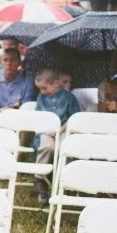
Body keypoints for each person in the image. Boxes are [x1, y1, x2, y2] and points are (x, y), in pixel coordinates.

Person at [32, 68, 80, 202]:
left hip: (64, 130)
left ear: (56, 84)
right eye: (40, 88)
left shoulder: (69, 97)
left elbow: (74, 118)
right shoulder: (41, 98)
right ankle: (39, 178)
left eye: (44, 88)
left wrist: (60, 130)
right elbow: (39, 117)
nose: (42, 92)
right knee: (47, 147)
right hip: (46, 130)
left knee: (63, 149)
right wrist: (47, 129)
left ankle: (64, 181)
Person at [0, 48, 36, 126]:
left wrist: (19, 107)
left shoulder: (27, 80)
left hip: (19, 117)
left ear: (19, 63)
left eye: (12, 60)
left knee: (27, 124)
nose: (8, 63)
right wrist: (4, 111)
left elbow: (27, 105)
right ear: (1, 62)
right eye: (5, 60)